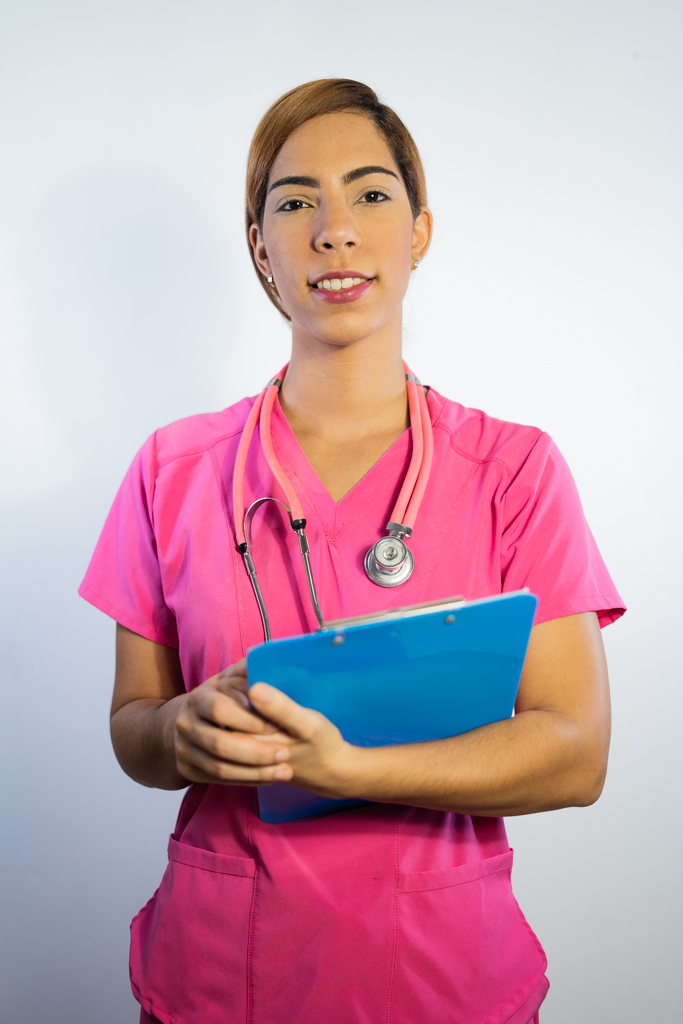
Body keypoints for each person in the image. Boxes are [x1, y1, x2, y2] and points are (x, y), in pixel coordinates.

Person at [79, 79, 625, 1024]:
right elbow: (134, 726)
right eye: (295, 204)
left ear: (418, 231)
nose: (334, 231)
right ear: (261, 247)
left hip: (441, 976)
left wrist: (350, 771)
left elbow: (574, 756)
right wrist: (178, 734)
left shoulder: (513, 471)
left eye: (370, 194)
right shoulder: (172, 469)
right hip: (221, 971)